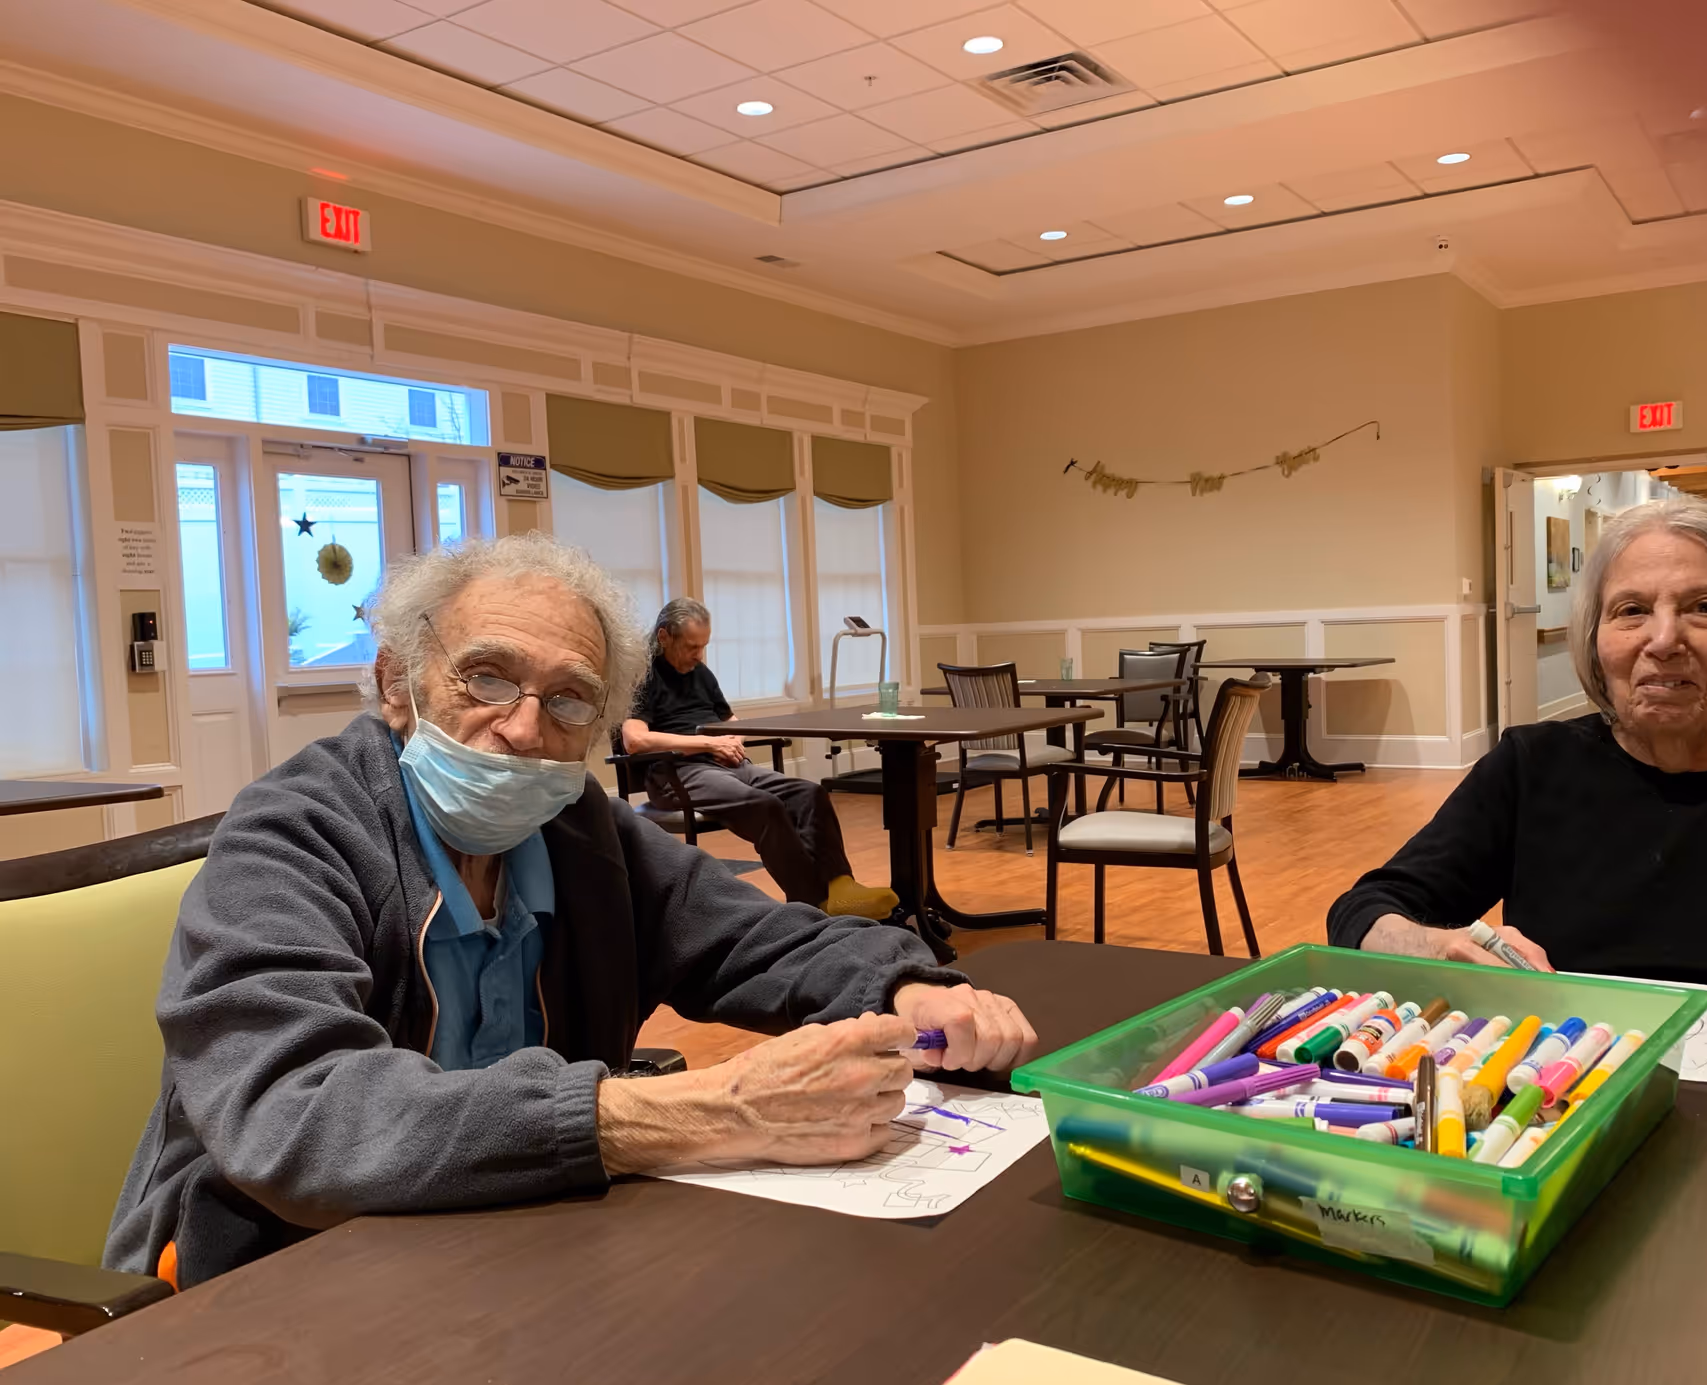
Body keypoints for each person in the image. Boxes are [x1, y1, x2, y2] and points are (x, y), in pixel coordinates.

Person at [105, 534, 1036, 1289]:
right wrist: (706, 1110)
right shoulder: (295, 832)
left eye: (568, 700)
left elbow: (746, 933)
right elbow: (293, 1117)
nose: (524, 728)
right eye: (489, 678)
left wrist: (906, 986)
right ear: (399, 683)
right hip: (276, 1273)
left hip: (518, 1249)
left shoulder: (577, 826)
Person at [1325, 497, 1707, 1035]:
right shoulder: (1533, 767)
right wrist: (1433, 946)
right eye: (1631, 611)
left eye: (1705, 607)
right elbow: (1363, 912)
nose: (1662, 639)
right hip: (1562, 1098)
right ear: (1597, 644)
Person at [621, 598, 897, 919]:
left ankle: (840, 887)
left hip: (726, 764)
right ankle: (813, 903)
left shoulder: (701, 673)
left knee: (809, 794)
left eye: (703, 646)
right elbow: (635, 739)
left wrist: (732, 739)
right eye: (691, 646)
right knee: (765, 806)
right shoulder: (644, 677)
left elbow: (731, 720)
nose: (698, 655)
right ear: (664, 636)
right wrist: (707, 745)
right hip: (677, 772)